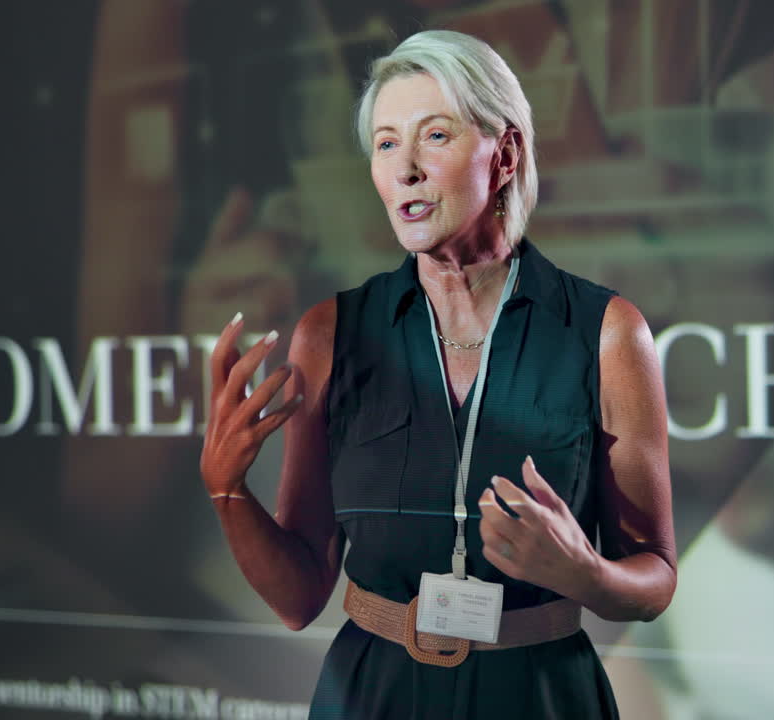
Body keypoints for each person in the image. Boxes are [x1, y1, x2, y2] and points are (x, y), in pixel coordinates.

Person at [199, 30, 675, 719]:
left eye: (436, 136)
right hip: (373, 693)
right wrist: (226, 491)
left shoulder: (606, 332)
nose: (406, 169)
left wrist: (586, 573)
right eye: (387, 144)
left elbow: (654, 578)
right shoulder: (331, 334)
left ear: (505, 155)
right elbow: (299, 597)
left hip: (538, 693)